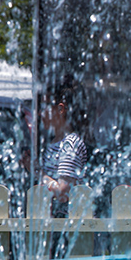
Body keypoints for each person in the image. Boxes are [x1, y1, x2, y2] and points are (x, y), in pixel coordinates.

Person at [39, 78, 89, 217]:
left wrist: (37, 172)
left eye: (45, 107)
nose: (40, 114)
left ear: (60, 109)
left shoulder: (70, 144)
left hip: (64, 225)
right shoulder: (54, 142)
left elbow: (63, 192)